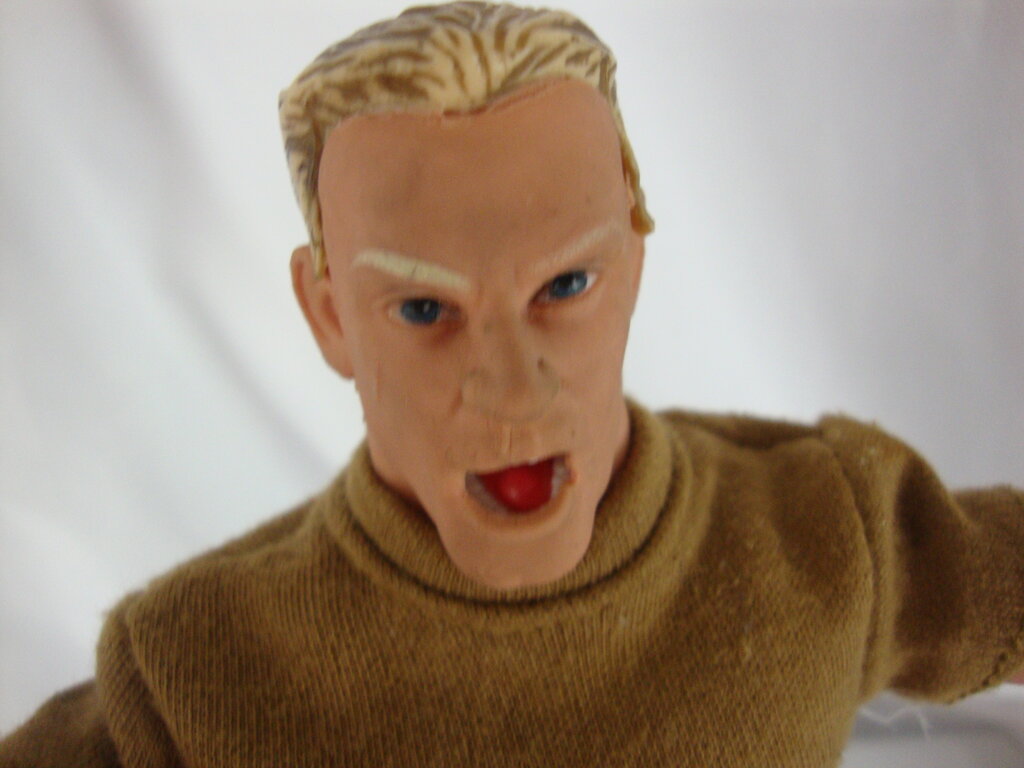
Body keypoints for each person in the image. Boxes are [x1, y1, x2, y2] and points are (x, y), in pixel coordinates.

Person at [1, 3, 1021, 766]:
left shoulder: (822, 536)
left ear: (634, 259)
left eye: (564, 286)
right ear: (328, 314)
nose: (511, 387)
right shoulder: (199, 671)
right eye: (423, 309)